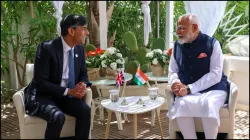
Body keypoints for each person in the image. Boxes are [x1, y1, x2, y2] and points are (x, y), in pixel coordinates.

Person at [24, 14, 91, 139]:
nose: (87, 32)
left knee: (85, 110)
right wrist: (69, 91)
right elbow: (40, 82)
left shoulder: (79, 50)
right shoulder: (47, 48)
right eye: (84, 28)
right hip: (43, 95)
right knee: (57, 116)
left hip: (65, 97)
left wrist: (82, 85)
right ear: (71, 31)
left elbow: (84, 76)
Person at [167, 13, 230, 139]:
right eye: (177, 27)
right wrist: (175, 82)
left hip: (214, 89)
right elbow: (172, 70)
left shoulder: (212, 44)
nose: (178, 31)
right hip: (186, 90)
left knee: (208, 104)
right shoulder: (176, 46)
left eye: (182, 28)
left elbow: (215, 74)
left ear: (194, 28)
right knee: (181, 104)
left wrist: (190, 88)